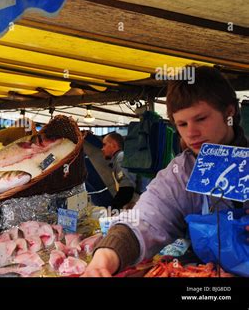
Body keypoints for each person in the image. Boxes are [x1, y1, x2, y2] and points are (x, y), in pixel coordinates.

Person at [83, 66, 248, 277]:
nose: (192, 133)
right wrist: (104, 258)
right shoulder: (181, 173)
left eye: (201, 119)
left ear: (229, 112)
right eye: (182, 124)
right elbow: (146, 218)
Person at [100, 132, 136, 210]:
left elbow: (127, 189)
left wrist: (113, 208)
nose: (102, 149)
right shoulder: (118, 159)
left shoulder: (120, 157)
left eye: (104, 145)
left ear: (113, 145)